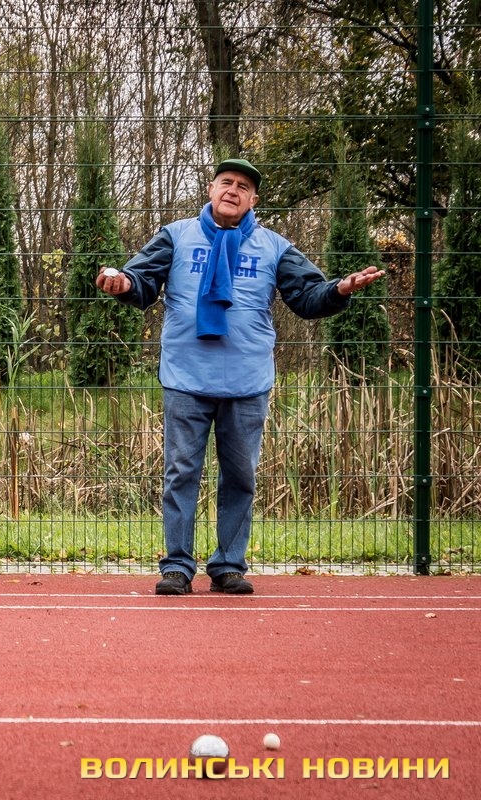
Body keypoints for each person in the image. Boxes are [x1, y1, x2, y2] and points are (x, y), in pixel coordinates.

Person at [97, 158, 385, 596]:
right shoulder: (176, 236)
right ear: (211, 190)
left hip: (247, 382)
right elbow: (140, 280)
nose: (233, 190)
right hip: (186, 377)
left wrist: (340, 289)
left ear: (254, 200)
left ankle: (228, 566)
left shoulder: (275, 247)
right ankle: (177, 567)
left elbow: (307, 297)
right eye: (226, 182)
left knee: (240, 477)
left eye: (243, 186)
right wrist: (123, 284)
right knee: (180, 474)